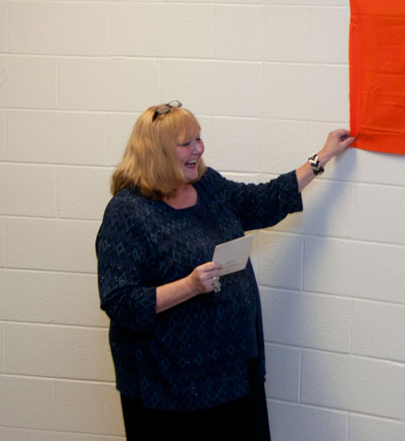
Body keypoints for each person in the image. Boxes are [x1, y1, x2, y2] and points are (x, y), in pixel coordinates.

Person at [96, 101, 354, 440]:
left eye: (199, 139)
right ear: (157, 152)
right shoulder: (127, 212)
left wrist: (321, 158)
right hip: (170, 389)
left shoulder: (207, 187)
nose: (199, 149)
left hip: (233, 373)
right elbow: (120, 302)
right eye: (186, 143)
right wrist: (189, 286)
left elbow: (262, 202)